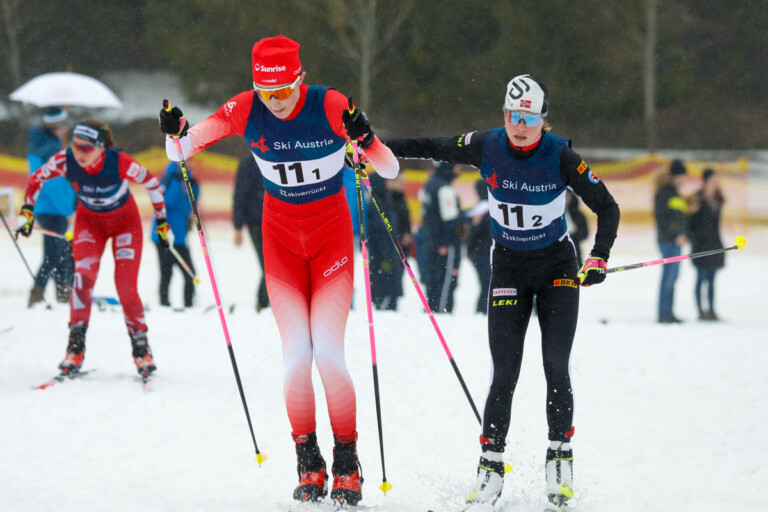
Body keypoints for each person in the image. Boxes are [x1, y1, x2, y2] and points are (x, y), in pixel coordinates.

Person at [158, 35, 400, 506]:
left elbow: (387, 169)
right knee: (295, 359)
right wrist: (176, 129)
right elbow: (179, 151)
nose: (277, 103)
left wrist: (365, 137)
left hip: (331, 242)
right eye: (268, 94)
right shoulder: (246, 108)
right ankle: (308, 460)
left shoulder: (329, 104)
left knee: (328, 355)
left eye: (285, 92)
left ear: (300, 79)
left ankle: (347, 461)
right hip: (281, 246)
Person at [384, 74, 620, 510]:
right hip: (509, 266)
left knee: (555, 365)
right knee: (504, 371)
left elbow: (607, 207)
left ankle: (560, 458)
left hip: (557, 269)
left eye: (529, 118)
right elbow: (434, 146)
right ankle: (490, 468)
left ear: (543, 121)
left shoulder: (562, 157)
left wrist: (600, 255)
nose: (520, 125)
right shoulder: (486, 145)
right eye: (513, 116)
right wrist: (376, 147)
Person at [16, 119, 169, 380]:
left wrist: (162, 222)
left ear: (101, 148)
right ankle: (74, 349)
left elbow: (152, 184)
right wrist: (27, 212)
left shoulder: (118, 161)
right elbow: (36, 178)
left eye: (86, 148)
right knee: (82, 281)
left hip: (125, 224)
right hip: (90, 224)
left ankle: (141, 349)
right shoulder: (66, 160)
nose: (79, 153)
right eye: (76, 146)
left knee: (126, 286)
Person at [26, 107, 76, 307]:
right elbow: (53, 185)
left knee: (62, 251)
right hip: (54, 209)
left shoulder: (45, 145)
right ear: (56, 126)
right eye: (63, 124)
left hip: (48, 208)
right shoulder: (51, 150)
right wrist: (68, 210)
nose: (66, 127)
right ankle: (37, 294)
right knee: (54, 254)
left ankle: (63, 293)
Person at [151, 159, 199, 309]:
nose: (190, 162)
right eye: (187, 159)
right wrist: (180, 185)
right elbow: (162, 203)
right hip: (164, 234)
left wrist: (192, 185)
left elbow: (191, 203)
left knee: (190, 273)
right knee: (167, 271)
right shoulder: (169, 178)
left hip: (180, 234)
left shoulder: (190, 180)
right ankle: (164, 304)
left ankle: (189, 305)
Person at [417, 161, 463, 313]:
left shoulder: (429, 184)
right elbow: (449, 220)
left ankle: (432, 310)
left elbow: (429, 215)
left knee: (433, 280)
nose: (458, 170)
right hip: (444, 244)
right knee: (445, 282)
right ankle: (441, 313)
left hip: (430, 240)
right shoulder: (444, 188)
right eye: (456, 167)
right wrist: (467, 219)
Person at [366, 172, 411, 311]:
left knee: (391, 279)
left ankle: (390, 301)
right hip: (383, 254)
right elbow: (381, 232)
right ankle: (384, 302)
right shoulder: (375, 204)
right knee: (384, 278)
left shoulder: (386, 201)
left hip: (390, 251)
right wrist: (387, 252)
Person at [654, 158, 689, 324]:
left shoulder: (675, 193)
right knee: (668, 278)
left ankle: (669, 313)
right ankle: (664, 314)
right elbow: (663, 220)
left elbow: (680, 217)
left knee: (672, 278)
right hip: (669, 241)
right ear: (676, 175)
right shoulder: (664, 193)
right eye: (682, 175)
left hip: (675, 241)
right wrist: (676, 234)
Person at [233, 154, 270, 312]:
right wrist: (238, 227)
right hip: (257, 221)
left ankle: (267, 302)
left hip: (276, 219)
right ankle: (263, 303)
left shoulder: (273, 158)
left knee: (275, 264)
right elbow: (240, 195)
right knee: (268, 265)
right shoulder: (248, 163)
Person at [688, 168, 725, 321]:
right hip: (700, 245)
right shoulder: (696, 198)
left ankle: (711, 309)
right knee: (701, 277)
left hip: (715, 245)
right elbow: (690, 223)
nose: (715, 183)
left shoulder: (718, 199)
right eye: (713, 180)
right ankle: (700, 310)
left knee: (711, 279)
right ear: (706, 181)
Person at [465, 179, 492, 314]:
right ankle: (482, 311)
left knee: (487, 284)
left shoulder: (478, 208)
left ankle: (483, 310)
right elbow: (469, 233)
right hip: (483, 253)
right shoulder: (483, 209)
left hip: (480, 252)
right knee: (487, 283)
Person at [565, 190, 588, 267]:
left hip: (575, 254)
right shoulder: (552, 215)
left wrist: (574, 234)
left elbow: (585, 234)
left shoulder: (577, 214)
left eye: (567, 197)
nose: (565, 199)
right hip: (555, 256)